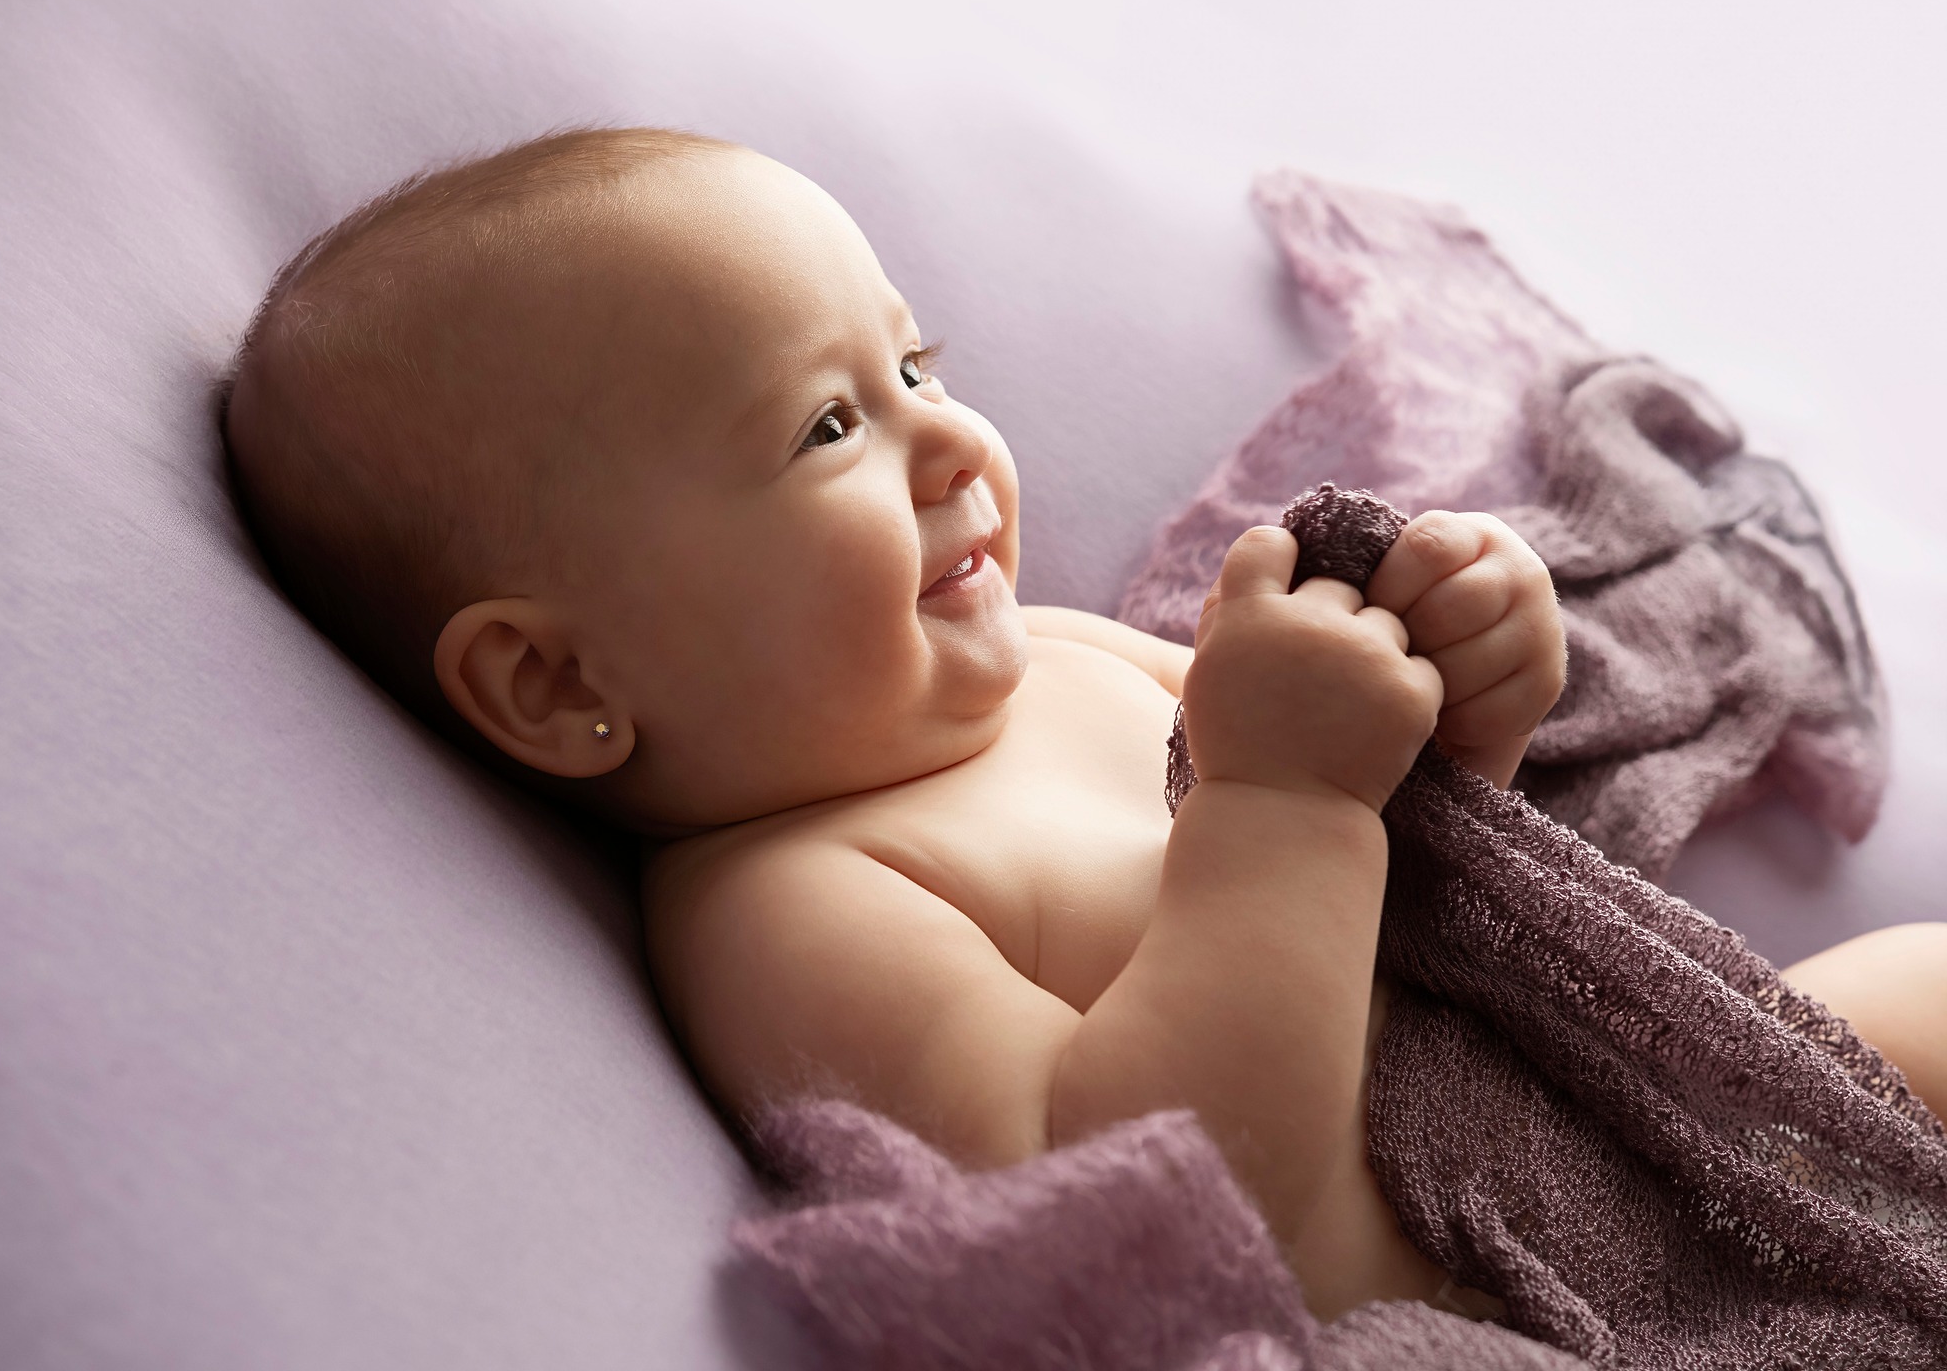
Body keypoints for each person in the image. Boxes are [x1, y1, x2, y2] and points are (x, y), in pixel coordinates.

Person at [221, 126, 1947, 1321]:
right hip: (1505, 1297)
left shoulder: (1060, 654)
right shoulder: (800, 901)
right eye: (827, 429)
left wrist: (1459, 705)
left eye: (918, 368)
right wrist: (1280, 804)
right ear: (561, 684)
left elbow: (1426, 881)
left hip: (1648, 1138)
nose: (950, 441)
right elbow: (1159, 1200)